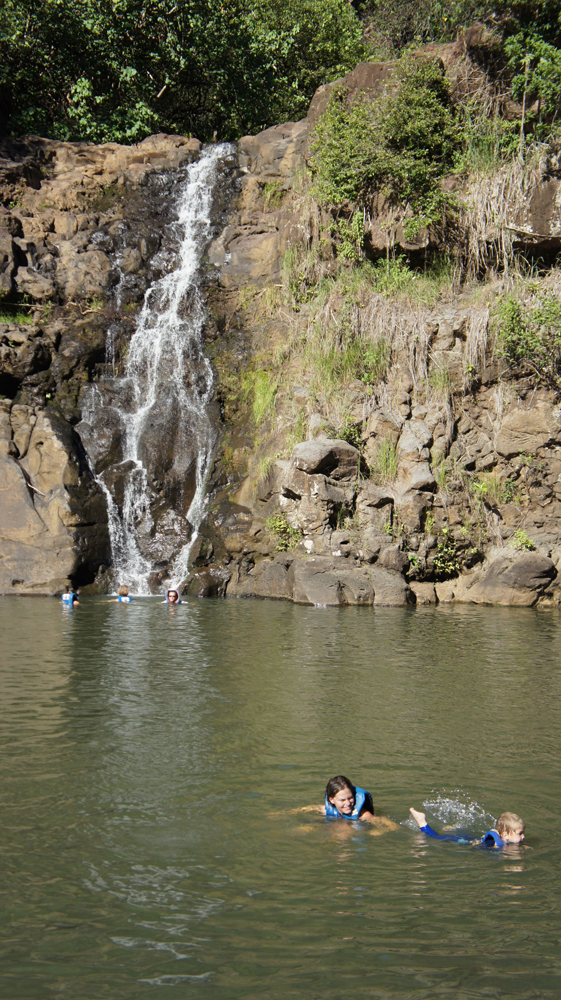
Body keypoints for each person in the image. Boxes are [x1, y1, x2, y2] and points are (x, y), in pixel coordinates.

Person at [294, 775, 398, 834]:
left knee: (343, 832)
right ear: (331, 800)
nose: (348, 803)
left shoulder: (363, 814)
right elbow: (305, 809)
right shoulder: (325, 809)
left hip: (355, 831)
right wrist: (278, 814)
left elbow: (392, 826)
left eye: (350, 798)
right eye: (342, 800)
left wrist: (377, 832)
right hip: (331, 826)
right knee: (305, 828)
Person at [409, 807, 525, 847]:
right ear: (505, 835)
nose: (523, 837)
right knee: (437, 838)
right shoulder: (495, 844)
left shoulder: (502, 839)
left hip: (472, 838)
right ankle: (422, 823)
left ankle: (454, 829)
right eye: (519, 833)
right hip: (465, 842)